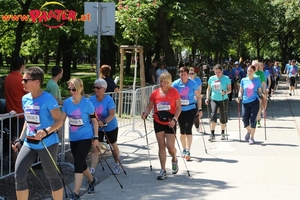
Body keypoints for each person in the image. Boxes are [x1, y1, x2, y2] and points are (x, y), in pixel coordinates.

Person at [11, 67, 64, 200]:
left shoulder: (48, 99)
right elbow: (28, 121)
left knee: (51, 176)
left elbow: (59, 121)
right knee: (19, 175)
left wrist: (46, 130)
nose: (22, 82)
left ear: (36, 82)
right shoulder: (25, 99)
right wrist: (20, 139)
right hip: (29, 143)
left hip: (47, 143)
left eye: (25, 80)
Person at [61, 77, 99, 199]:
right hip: (74, 138)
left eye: (74, 89)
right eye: (69, 89)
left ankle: (75, 193)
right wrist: (51, 131)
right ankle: (92, 180)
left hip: (86, 137)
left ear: (80, 88)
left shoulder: (87, 103)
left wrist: (96, 136)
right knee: (81, 163)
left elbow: (94, 120)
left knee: (77, 162)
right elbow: (61, 120)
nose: (72, 91)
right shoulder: (67, 103)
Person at [141, 72, 181, 180]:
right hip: (158, 121)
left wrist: (175, 119)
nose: (162, 83)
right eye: (161, 81)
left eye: (165, 82)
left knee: (170, 147)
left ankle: (174, 158)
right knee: (161, 145)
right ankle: (163, 170)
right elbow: (149, 106)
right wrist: (145, 113)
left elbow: (178, 108)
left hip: (170, 122)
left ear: (169, 82)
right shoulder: (155, 93)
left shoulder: (174, 92)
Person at [89, 78, 122, 175]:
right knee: (95, 147)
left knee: (113, 145)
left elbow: (112, 114)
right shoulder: (91, 100)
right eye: (94, 87)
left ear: (104, 89)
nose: (96, 90)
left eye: (98, 88)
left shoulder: (108, 99)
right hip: (97, 127)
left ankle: (116, 163)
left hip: (110, 126)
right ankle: (92, 170)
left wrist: (103, 121)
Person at [172, 66, 202, 161]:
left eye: (184, 75)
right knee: (182, 130)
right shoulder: (175, 84)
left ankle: (188, 150)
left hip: (191, 108)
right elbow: (171, 95)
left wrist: (200, 108)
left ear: (188, 74)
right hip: (180, 110)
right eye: (181, 75)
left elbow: (198, 96)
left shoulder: (193, 84)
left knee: (188, 128)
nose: (183, 76)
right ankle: (184, 148)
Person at [236, 65, 264, 144]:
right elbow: (241, 91)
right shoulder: (243, 80)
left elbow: (259, 91)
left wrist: (261, 95)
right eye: (248, 71)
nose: (249, 72)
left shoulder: (257, 81)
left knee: (253, 120)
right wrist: (239, 97)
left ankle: (252, 138)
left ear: (254, 71)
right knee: (244, 120)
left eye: (251, 71)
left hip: (254, 102)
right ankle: (249, 131)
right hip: (245, 102)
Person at [205, 64, 231, 141]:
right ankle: (212, 134)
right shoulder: (211, 78)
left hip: (223, 99)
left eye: (219, 72)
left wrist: (225, 92)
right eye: (216, 72)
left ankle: (223, 132)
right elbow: (208, 89)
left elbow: (230, 90)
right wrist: (207, 98)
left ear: (222, 71)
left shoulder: (226, 78)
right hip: (214, 99)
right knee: (213, 114)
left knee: (223, 115)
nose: (217, 74)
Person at [4, 56, 27, 138]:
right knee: (18, 139)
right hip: (20, 113)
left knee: (11, 137)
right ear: (22, 66)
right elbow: (31, 92)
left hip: (10, 112)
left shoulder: (7, 78)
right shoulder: (22, 80)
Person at [188, 67, 202, 132]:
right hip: (188, 100)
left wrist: (197, 95)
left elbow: (200, 89)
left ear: (195, 73)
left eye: (192, 73)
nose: (191, 74)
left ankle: (197, 126)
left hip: (196, 98)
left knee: (196, 114)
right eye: (190, 73)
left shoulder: (197, 80)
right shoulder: (186, 80)